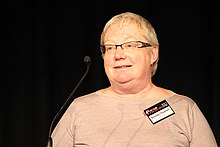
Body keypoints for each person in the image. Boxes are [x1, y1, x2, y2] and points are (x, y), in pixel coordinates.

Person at [51, 12, 218, 146]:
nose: (118, 54)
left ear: (153, 53)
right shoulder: (79, 109)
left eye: (129, 45)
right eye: (110, 48)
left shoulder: (184, 109)